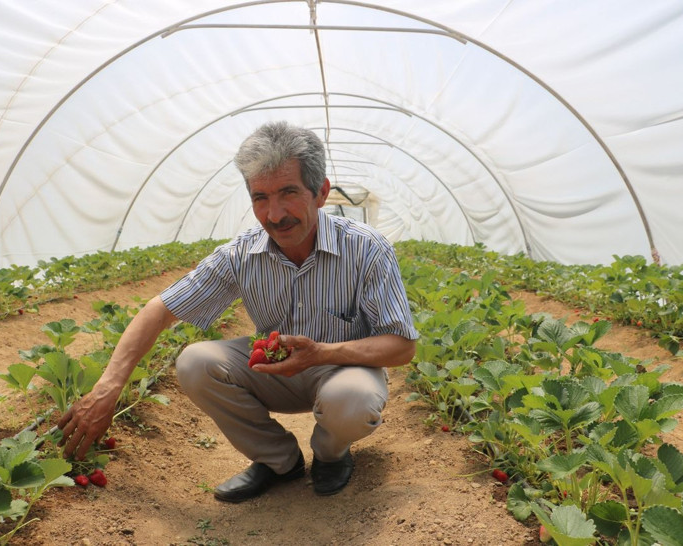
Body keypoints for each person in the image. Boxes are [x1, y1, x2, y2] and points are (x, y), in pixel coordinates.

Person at [58, 120, 419, 502]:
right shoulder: (241, 254)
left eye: (288, 193)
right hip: (274, 371)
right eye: (260, 197)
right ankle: (279, 460)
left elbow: (402, 346)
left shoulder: (367, 250)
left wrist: (323, 353)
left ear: (321, 193)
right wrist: (108, 388)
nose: (274, 213)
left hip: (343, 369)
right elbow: (159, 310)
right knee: (195, 361)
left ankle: (331, 454)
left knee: (353, 401)